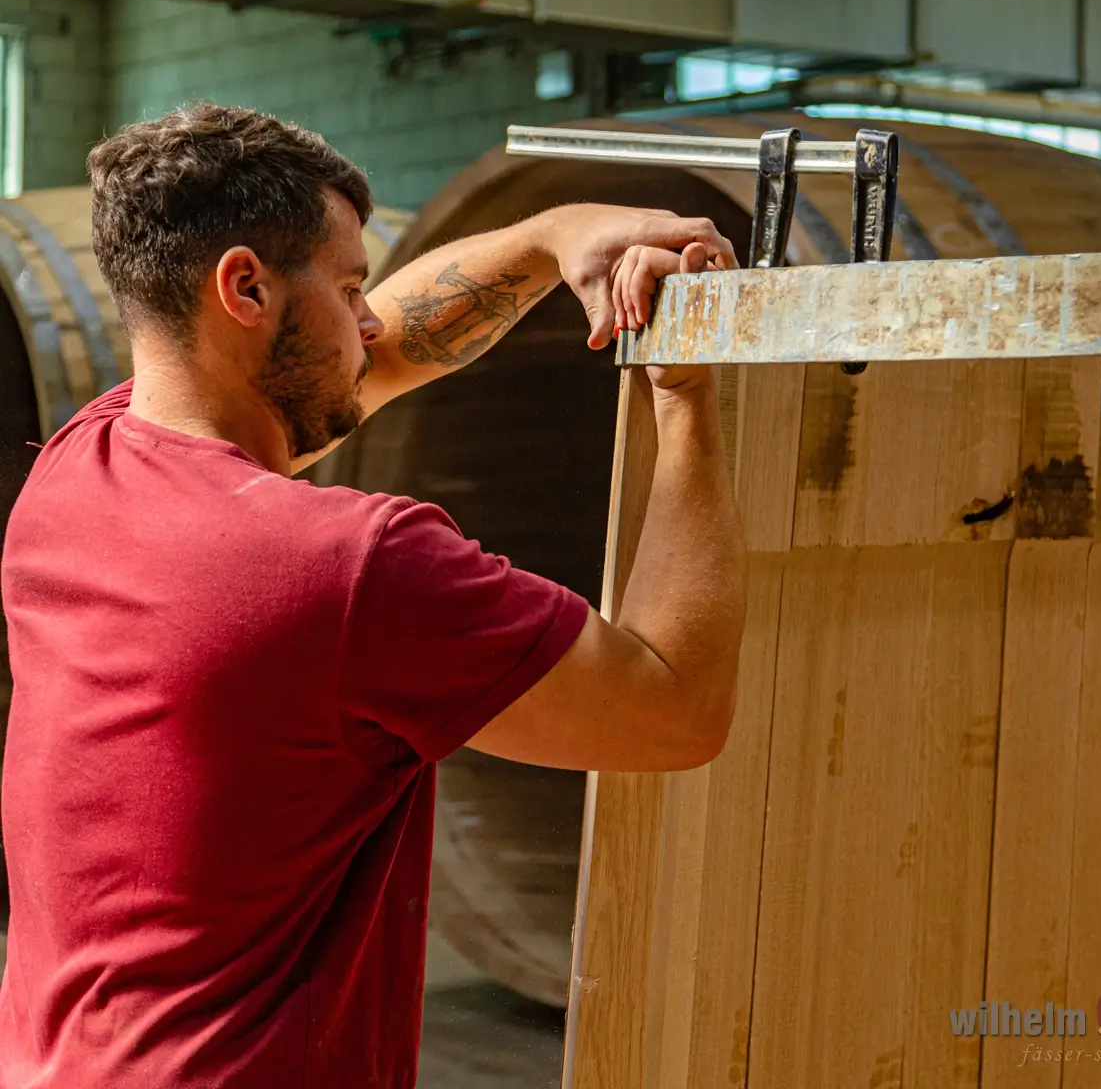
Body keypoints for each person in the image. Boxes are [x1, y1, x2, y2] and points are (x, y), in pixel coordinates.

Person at [0, 104, 747, 1087]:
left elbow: (375, 356)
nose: (368, 317)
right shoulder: (351, 567)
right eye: (351, 285)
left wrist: (553, 236)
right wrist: (684, 393)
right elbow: (674, 709)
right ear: (246, 287)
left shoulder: (74, 473)